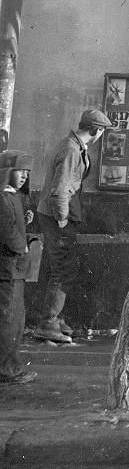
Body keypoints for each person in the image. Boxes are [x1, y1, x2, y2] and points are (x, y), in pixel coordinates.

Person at [34, 108, 112, 344]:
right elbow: (60, 190)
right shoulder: (71, 149)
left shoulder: (74, 145)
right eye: (102, 132)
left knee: (64, 269)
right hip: (58, 217)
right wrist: (62, 219)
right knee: (62, 270)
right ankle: (48, 323)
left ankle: (55, 320)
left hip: (60, 215)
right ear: (97, 130)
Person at [0, 150, 36, 384]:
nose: (23, 176)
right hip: (9, 269)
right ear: (7, 172)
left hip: (13, 269)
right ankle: (7, 370)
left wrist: (26, 219)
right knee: (9, 321)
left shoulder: (11, 196)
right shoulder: (3, 197)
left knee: (13, 319)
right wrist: (22, 246)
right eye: (19, 171)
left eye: (26, 172)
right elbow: (6, 231)